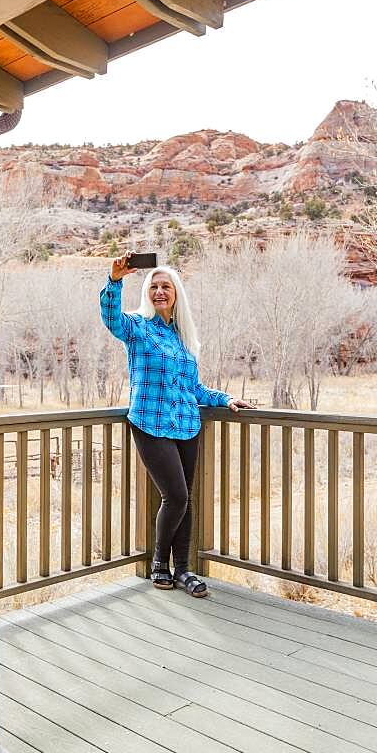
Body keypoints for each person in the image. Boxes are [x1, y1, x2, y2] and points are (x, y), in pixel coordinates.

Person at [100, 251, 251, 598]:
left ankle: (183, 571)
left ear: (176, 293)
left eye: (165, 286)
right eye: (154, 287)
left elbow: (193, 387)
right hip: (150, 423)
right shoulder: (136, 327)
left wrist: (224, 399)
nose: (159, 292)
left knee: (187, 499)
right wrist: (115, 280)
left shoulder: (183, 338)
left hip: (186, 424)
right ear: (147, 293)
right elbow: (111, 319)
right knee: (177, 496)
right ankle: (159, 563)